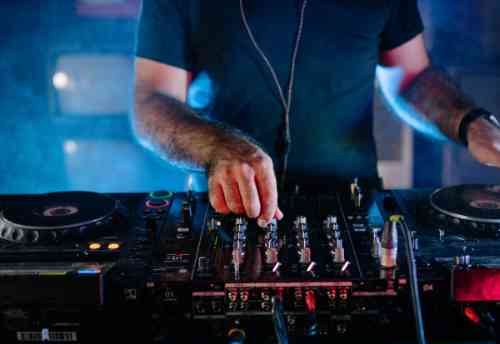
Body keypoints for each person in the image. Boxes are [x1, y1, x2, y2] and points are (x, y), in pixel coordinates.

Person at [132, 0, 500, 227]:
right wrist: (219, 146)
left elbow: (412, 78)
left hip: (354, 208)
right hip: (228, 207)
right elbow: (152, 100)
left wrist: (471, 123)